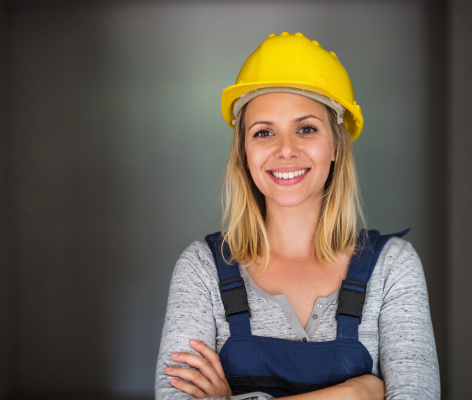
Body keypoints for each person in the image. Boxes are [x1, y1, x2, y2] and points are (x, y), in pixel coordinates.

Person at [155, 32, 440, 400]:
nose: (285, 150)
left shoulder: (393, 268)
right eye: (263, 132)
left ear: (335, 144)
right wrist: (356, 393)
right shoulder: (202, 270)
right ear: (244, 153)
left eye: (306, 129)